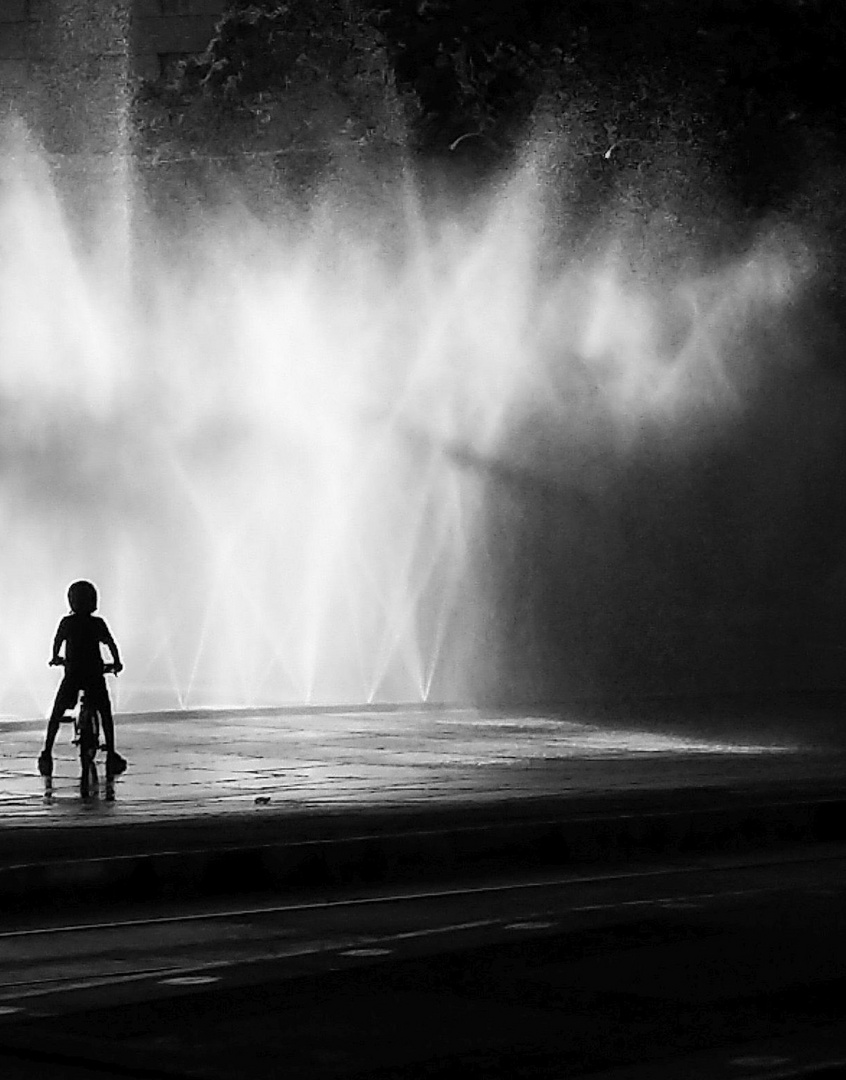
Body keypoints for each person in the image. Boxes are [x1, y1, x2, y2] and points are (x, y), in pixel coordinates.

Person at [37, 580, 128, 778]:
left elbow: (57, 641)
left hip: (73, 672)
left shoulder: (67, 622)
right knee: (105, 713)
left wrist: (55, 657)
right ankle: (111, 753)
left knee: (57, 712)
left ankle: (47, 752)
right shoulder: (97, 623)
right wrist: (117, 662)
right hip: (94, 672)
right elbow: (110, 643)